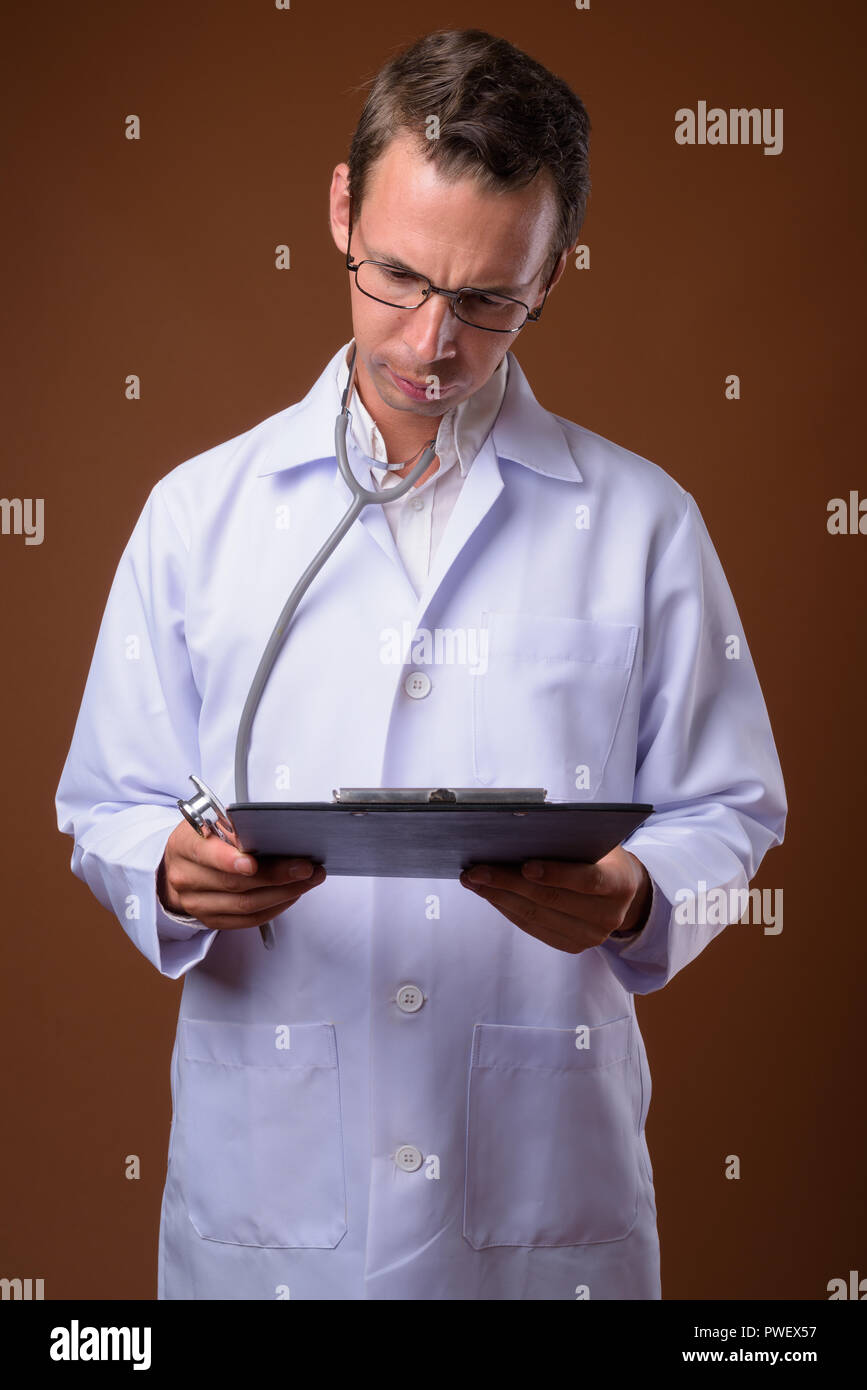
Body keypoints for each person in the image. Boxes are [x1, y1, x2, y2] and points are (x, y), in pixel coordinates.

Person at [55, 28, 786, 1300]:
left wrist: (633, 895)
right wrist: (166, 879)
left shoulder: (642, 522)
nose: (431, 342)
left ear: (552, 274)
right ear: (341, 209)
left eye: (487, 298)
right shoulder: (195, 515)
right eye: (394, 275)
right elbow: (103, 807)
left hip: (543, 1210)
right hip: (271, 1213)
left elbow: (737, 816)